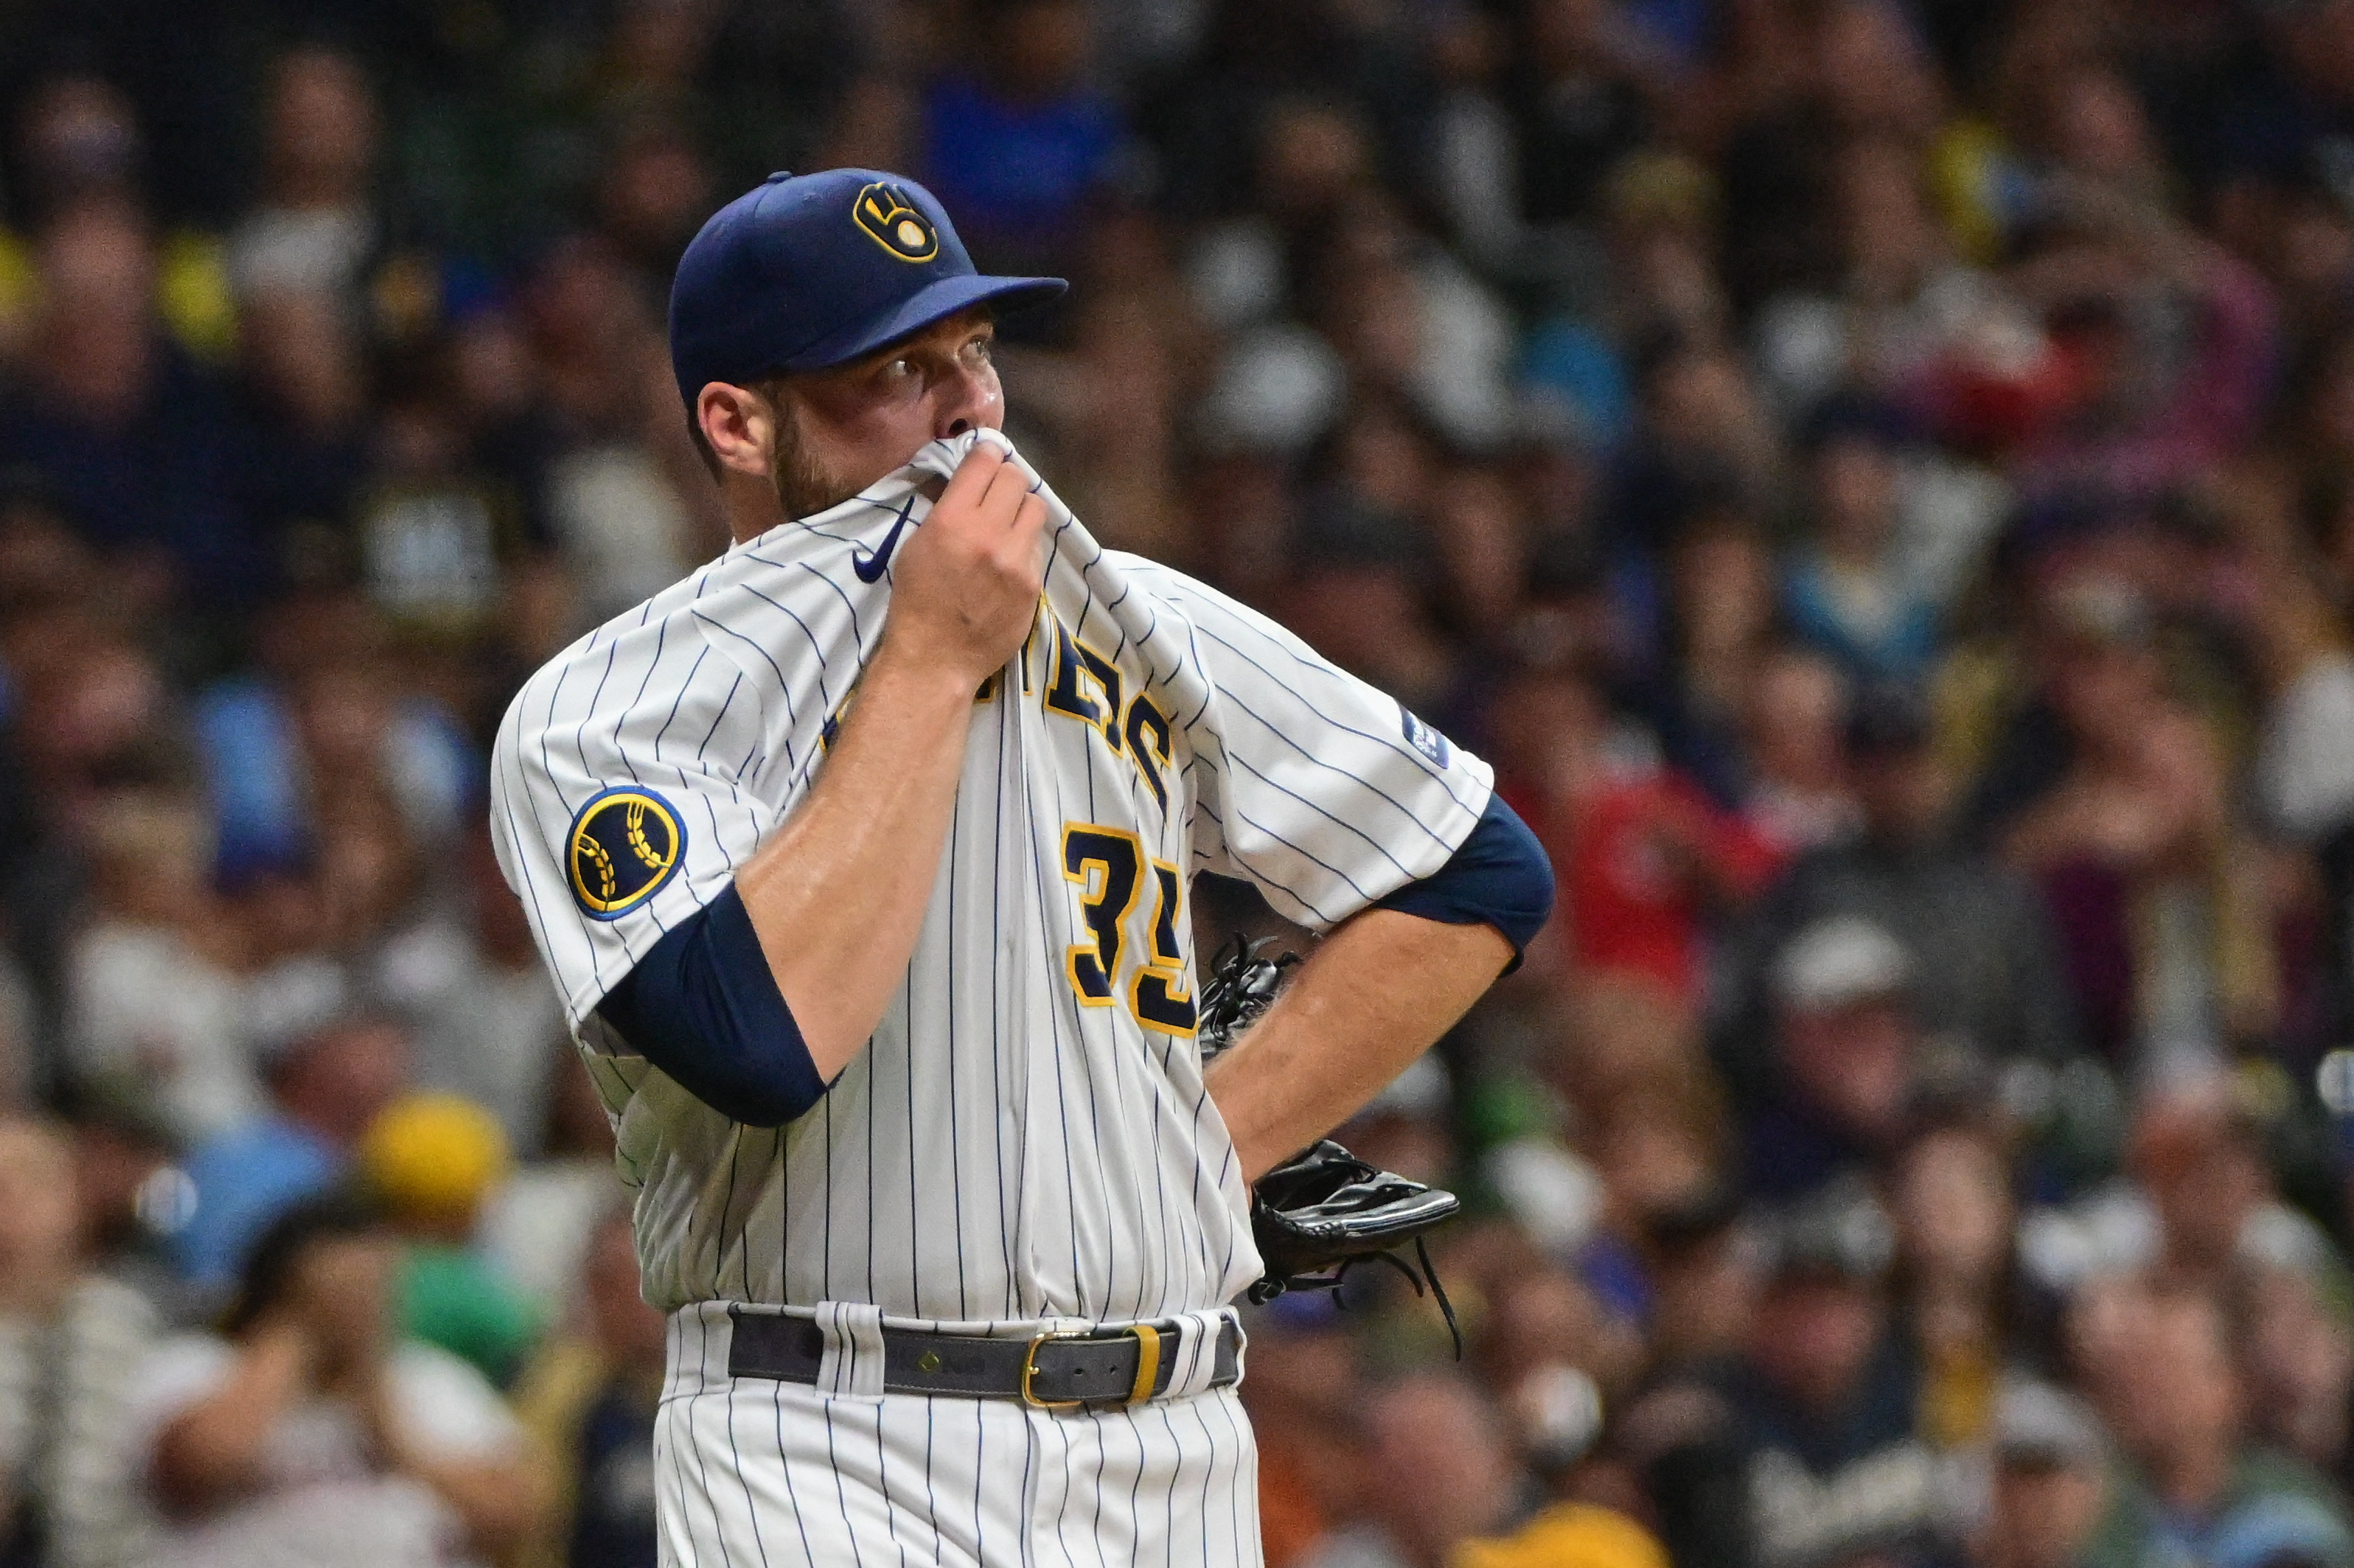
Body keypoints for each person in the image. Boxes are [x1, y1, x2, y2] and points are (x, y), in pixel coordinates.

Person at [489, 168, 1553, 1564]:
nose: (971, 412)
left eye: (974, 355)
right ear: (738, 422)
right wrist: (928, 655)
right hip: (832, 1441)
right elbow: (757, 1036)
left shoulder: (1127, 612)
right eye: (899, 372)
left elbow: (1474, 869)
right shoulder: (611, 708)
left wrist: (1204, 1146)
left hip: (1166, 1442)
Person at [128, 1194, 549, 1568]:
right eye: (346, 1285)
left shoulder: (436, 1382)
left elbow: (515, 1518)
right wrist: (295, 1337)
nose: (362, 1301)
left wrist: (386, 1423)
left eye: (376, 1281)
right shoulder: (196, 1366)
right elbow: (194, 1468)